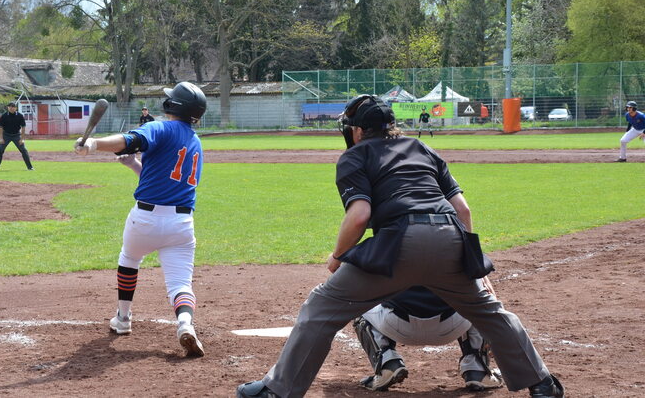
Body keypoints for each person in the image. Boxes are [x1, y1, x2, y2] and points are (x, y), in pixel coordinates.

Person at [237, 94, 563, 398]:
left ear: (359, 131)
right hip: (450, 236)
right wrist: (471, 262)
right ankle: (542, 382)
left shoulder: (355, 155)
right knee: (489, 312)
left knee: (320, 309)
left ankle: (277, 390)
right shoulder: (422, 148)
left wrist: (337, 256)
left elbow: (360, 214)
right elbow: (463, 210)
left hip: (401, 240)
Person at [74, 82, 207, 357]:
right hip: (181, 225)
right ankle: (185, 323)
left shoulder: (161, 127)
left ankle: (123, 319)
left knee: (129, 259)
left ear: (173, 106)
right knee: (180, 283)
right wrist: (134, 165)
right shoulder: (195, 142)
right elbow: (165, 179)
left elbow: (129, 140)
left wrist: (93, 144)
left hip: (145, 220)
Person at [353, 286, 503, 392]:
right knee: (479, 299)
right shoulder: (456, 243)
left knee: (358, 300)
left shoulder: (390, 244)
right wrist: (493, 335)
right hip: (450, 325)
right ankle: (476, 368)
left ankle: (387, 363)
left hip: (398, 325)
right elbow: (481, 284)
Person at [0, 102, 34, 171]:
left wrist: (22, 139)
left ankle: (30, 167)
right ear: (8, 107)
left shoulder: (20, 116)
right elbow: (0, 127)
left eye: (13, 107)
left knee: (23, 150)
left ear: (15, 108)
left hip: (16, 135)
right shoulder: (4, 116)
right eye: (9, 106)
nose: (11, 108)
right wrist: (1, 138)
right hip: (6, 135)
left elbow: (23, 127)